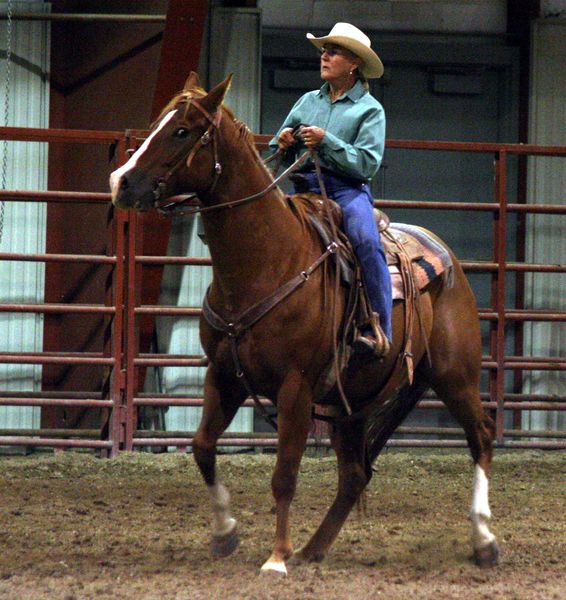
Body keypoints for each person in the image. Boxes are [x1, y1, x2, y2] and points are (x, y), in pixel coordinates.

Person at [269, 22, 392, 357]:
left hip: (345, 192)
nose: (324, 56)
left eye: (333, 51)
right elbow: (276, 145)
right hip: (303, 188)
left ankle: (379, 327)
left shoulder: (370, 111)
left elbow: (366, 163)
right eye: (324, 50)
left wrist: (327, 142)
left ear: (353, 63)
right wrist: (283, 141)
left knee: (366, 241)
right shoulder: (307, 101)